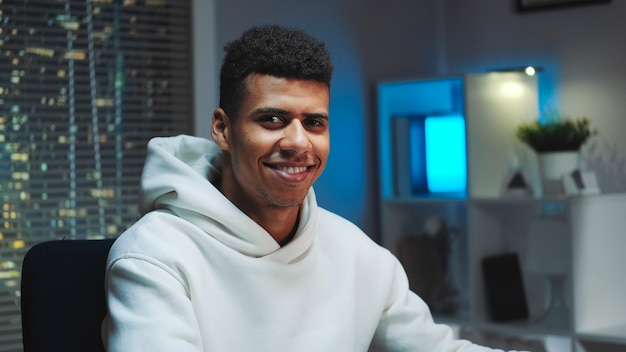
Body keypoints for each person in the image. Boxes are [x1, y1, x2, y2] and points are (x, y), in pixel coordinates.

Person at [102, 24, 528, 351]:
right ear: (223, 129)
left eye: (314, 122)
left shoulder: (356, 253)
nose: (297, 142)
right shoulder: (154, 255)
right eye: (272, 119)